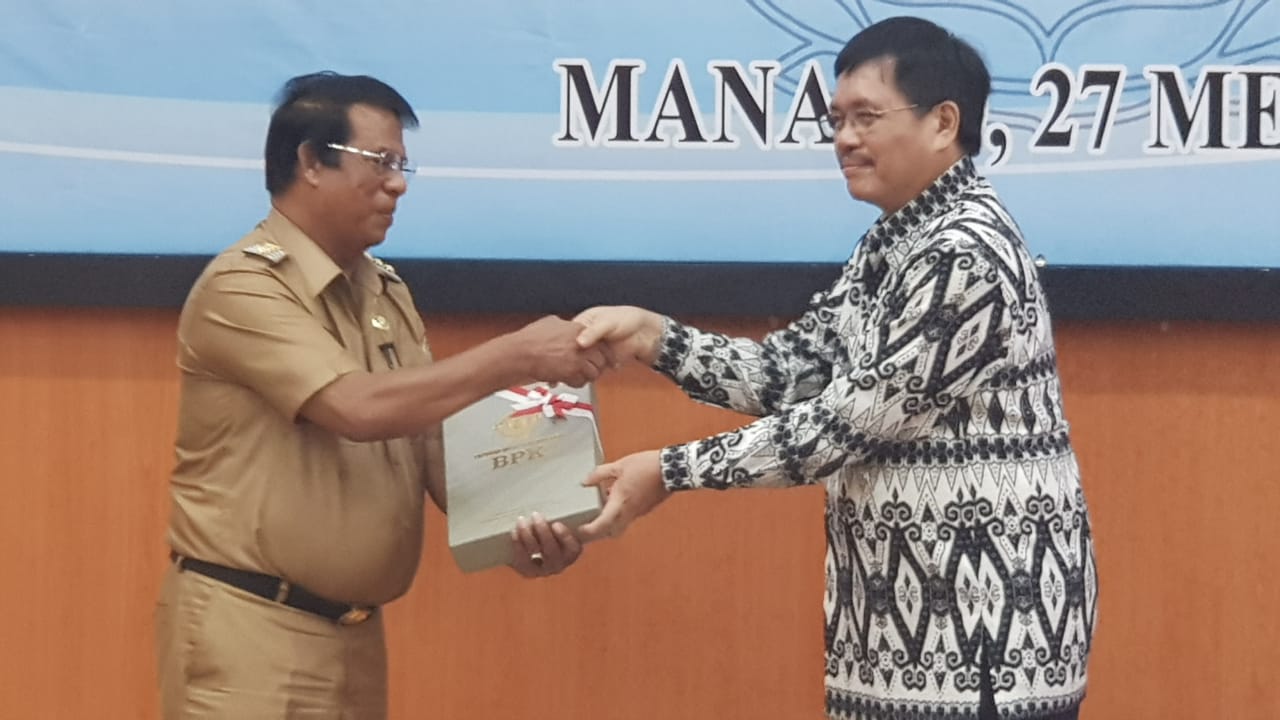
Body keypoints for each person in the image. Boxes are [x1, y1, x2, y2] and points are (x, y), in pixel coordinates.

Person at [575, 17, 1097, 720]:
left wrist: (669, 471)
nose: (844, 139)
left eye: (866, 117)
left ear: (944, 123)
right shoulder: (894, 242)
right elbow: (789, 375)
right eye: (836, 120)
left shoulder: (964, 253)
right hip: (897, 631)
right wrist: (653, 337)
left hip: (987, 634)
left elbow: (847, 424)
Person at [154, 72, 609, 719]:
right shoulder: (243, 285)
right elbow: (356, 408)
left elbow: (427, 439)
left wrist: (526, 525)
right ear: (311, 163)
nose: (398, 184)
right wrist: (515, 355)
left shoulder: (384, 290)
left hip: (356, 637)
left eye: (402, 165)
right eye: (381, 162)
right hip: (253, 632)